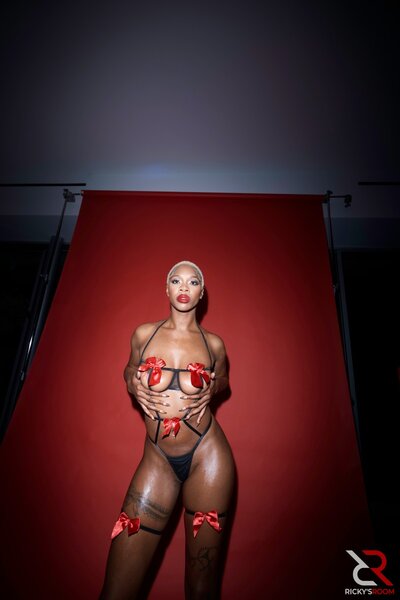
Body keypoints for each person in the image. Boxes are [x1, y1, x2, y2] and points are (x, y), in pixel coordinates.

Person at [100, 260, 235, 600]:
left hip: (208, 458)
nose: (184, 287)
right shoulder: (144, 334)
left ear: (201, 293)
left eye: (193, 282)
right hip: (157, 459)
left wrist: (212, 388)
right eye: (176, 280)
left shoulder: (214, 344)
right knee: (116, 591)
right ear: (167, 289)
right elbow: (129, 369)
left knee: (201, 589)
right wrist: (133, 382)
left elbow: (223, 380)